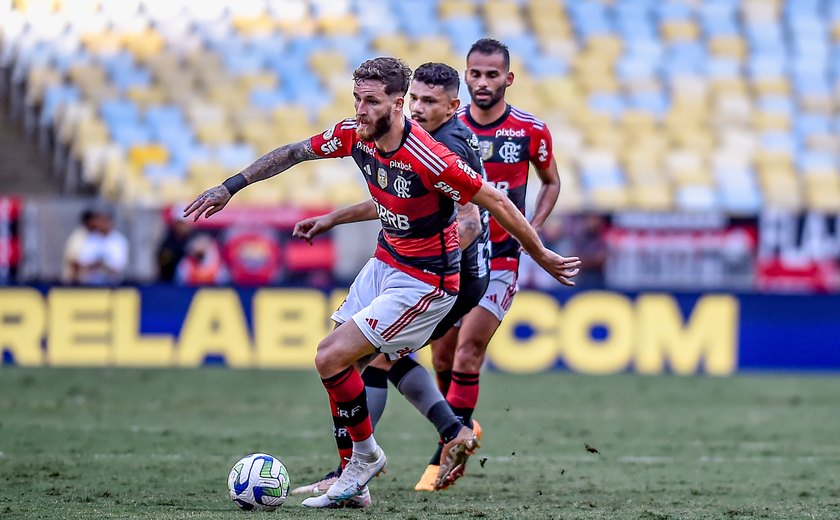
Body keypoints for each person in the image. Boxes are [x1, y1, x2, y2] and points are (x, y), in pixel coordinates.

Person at [183, 57, 580, 509]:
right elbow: (295, 152)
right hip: (385, 262)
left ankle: (370, 457)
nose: (360, 110)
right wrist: (230, 187)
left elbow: (493, 202)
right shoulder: (356, 134)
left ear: (396, 104)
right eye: (356, 99)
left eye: (369, 101)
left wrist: (540, 252)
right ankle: (362, 475)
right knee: (345, 361)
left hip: (426, 281)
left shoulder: (431, 153)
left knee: (334, 357)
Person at [288, 62, 491, 499]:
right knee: (375, 356)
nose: (417, 109)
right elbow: (394, 196)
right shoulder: (409, 137)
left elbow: (471, 218)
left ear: (453, 107)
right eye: (415, 99)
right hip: (416, 266)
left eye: (428, 102)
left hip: (446, 272)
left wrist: (429, 265)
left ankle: (359, 467)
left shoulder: (444, 144)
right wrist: (334, 218)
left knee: (368, 357)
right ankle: (448, 432)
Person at [412, 38, 565, 490]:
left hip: (500, 258)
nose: (483, 82)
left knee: (468, 350)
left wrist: (529, 233)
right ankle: (461, 426)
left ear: (508, 79)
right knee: (441, 354)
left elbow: (551, 182)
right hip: (452, 257)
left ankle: (445, 458)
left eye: (492, 75)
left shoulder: (529, 130)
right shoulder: (443, 126)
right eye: (475, 74)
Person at [63, 206, 129, 285]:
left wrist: (102, 265)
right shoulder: (90, 239)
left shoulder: (119, 240)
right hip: (91, 286)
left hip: (113, 286)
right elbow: (82, 262)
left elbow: (118, 266)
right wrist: (94, 265)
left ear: (111, 222)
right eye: (100, 221)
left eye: (105, 221)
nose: (102, 224)